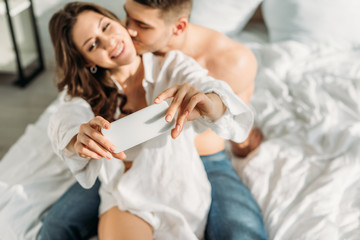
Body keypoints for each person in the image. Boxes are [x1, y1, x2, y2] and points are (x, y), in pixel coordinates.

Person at [41, 2, 257, 239]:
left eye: (106, 27)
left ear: (116, 22)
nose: (109, 42)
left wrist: (209, 101)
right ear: (87, 61)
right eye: (93, 45)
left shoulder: (173, 65)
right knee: (54, 229)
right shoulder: (85, 93)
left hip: (178, 188)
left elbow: (211, 89)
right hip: (125, 194)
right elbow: (64, 119)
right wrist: (76, 138)